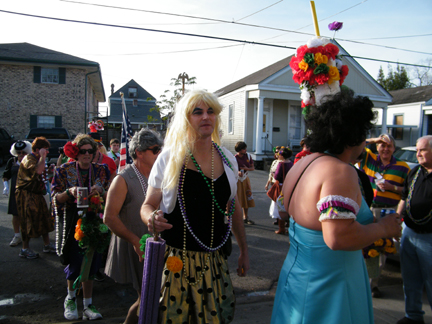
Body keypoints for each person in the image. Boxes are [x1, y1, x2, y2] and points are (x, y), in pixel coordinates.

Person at [270, 89, 402, 324]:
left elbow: (283, 210)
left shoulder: (303, 164)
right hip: (330, 287)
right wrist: (384, 228)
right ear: (354, 136)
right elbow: (337, 238)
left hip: (297, 276)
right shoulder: (339, 172)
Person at [140, 89, 249, 323]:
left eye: (211, 112)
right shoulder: (169, 158)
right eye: (197, 112)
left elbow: (235, 208)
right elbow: (147, 205)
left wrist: (244, 250)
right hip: (175, 263)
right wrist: (151, 217)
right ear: (186, 119)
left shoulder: (228, 159)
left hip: (214, 262)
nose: (206, 117)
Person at [104, 129, 163, 324]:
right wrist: (135, 241)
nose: (159, 154)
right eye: (155, 150)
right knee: (147, 297)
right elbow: (109, 217)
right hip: (136, 244)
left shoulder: (159, 175)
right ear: (139, 152)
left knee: (153, 296)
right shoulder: (123, 179)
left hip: (157, 245)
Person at [51, 134, 111, 321]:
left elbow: (111, 193)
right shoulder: (63, 170)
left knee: (92, 260)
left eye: (90, 151)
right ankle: (70, 299)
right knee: (74, 261)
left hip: (95, 218)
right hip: (72, 220)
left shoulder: (102, 170)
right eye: (83, 151)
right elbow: (55, 198)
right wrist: (69, 192)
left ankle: (87, 304)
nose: (87, 154)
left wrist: (101, 191)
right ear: (76, 152)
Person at [358, 133, 410, 297]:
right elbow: (357, 142)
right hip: (367, 209)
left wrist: (392, 188)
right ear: (377, 147)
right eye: (382, 145)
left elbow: (409, 191)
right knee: (364, 246)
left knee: (382, 248)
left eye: (389, 146)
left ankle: (373, 284)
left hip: (389, 210)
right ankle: (362, 281)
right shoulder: (368, 158)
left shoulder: (403, 167)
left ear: (394, 148)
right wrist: (374, 140)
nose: (385, 148)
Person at [396, 135, 432, 324]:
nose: (418, 154)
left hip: (429, 237)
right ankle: (413, 316)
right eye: (417, 150)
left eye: (422, 150)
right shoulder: (415, 172)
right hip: (409, 231)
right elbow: (404, 197)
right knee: (410, 279)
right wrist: (397, 218)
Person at [15, 137, 55, 259]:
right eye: (45, 150)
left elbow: (40, 174)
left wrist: (48, 170)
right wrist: (42, 158)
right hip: (26, 194)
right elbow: (37, 171)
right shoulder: (29, 159)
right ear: (37, 150)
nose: (47, 152)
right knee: (28, 220)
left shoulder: (37, 159)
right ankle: (24, 248)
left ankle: (47, 244)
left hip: (37, 194)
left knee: (44, 217)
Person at [3, 141, 32, 247]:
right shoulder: (12, 161)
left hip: (27, 191)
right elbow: (6, 175)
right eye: (18, 152)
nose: (21, 155)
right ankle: (17, 235)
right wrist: (6, 186)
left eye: (23, 152)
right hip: (14, 192)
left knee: (29, 213)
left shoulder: (30, 161)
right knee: (15, 214)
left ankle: (29, 234)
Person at [235, 141, 256, 225]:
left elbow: (252, 168)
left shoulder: (248, 156)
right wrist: (238, 172)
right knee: (238, 198)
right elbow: (232, 168)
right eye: (244, 149)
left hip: (245, 178)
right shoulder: (234, 158)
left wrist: (246, 168)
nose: (245, 150)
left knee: (247, 197)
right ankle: (237, 219)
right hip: (238, 180)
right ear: (239, 150)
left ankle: (245, 217)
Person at [273, 147, 293, 234]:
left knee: (281, 206)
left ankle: (281, 228)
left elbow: (276, 177)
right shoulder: (291, 163)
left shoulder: (281, 164)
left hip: (281, 186)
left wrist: (274, 174)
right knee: (289, 207)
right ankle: (289, 227)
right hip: (290, 185)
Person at [265, 146, 281, 225]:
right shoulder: (274, 162)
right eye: (276, 152)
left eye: (278, 152)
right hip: (274, 184)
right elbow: (270, 174)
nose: (277, 153)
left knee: (280, 201)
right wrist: (268, 183)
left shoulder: (283, 162)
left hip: (280, 184)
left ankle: (282, 219)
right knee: (274, 202)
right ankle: (278, 219)